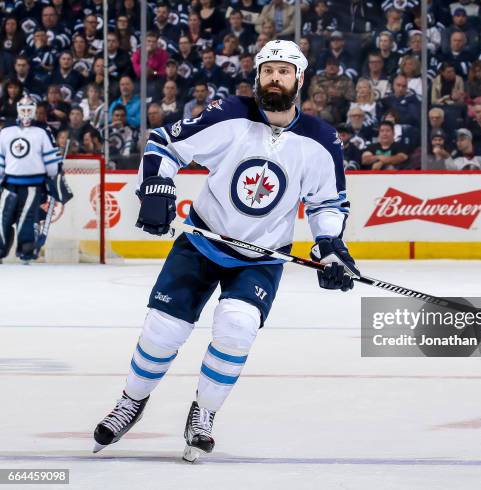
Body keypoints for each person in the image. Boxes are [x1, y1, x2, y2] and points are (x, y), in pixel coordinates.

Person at [93, 40, 358, 461]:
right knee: (163, 330)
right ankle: (132, 401)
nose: (275, 77)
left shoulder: (321, 140)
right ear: (257, 77)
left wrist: (330, 250)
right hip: (203, 240)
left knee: (237, 327)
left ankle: (205, 412)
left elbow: (327, 204)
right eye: (268, 70)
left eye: (284, 71)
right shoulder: (231, 115)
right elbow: (164, 144)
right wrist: (158, 188)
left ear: (299, 79)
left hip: (263, 256)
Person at [0, 96, 70, 263]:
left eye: (28, 110)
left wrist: (54, 175)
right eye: (23, 110)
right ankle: (2, 248)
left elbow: (51, 163)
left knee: (27, 217)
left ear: (34, 111)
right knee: (4, 216)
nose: (25, 113)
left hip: (33, 185)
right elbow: (1, 159)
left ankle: (26, 249)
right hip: (10, 184)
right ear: (18, 110)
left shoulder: (42, 133)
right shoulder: (5, 132)